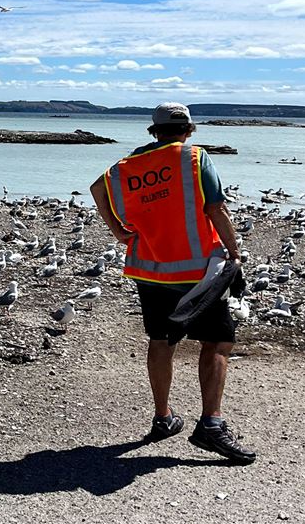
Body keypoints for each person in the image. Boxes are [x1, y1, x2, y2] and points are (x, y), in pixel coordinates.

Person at [89, 102, 256, 465]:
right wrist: (235, 253)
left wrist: (118, 231)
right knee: (218, 340)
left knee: (161, 338)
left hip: (149, 268)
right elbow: (216, 209)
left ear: (154, 131)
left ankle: (163, 418)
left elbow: (96, 189)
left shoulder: (127, 166)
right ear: (189, 130)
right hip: (196, 270)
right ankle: (211, 425)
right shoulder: (194, 158)